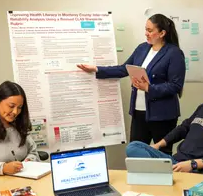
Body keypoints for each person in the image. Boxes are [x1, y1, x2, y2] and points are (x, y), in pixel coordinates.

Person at [77, 14, 186, 155]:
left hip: (162, 115)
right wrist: (97, 69)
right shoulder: (142, 48)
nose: (146, 33)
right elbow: (124, 69)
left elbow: (175, 85)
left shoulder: (174, 53)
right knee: (134, 152)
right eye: (145, 29)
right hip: (139, 112)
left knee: (162, 156)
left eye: (150, 30)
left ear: (162, 33)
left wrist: (149, 88)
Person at [126, 73, 203, 173]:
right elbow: (184, 128)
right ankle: (163, 172)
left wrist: (192, 164)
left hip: (196, 170)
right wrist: (158, 145)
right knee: (134, 147)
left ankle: (162, 173)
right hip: (175, 161)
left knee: (140, 163)